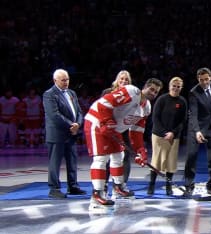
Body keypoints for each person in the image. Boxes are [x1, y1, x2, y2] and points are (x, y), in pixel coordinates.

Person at [84, 80, 162, 209]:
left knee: (119, 156)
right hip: (97, 122)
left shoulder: (147, 107)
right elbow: (104, 103)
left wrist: (140, 150)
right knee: (101, 159)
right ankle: (97, 194)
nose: (153, 93)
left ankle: (118, 187)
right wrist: (106, 121)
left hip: (113, 128)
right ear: (145, 87)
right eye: (151, 89)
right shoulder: (131, 91)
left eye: (156, 91)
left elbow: (136, 131)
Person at [42, 69, 86, 199]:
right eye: (63, 80)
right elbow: (54, 115)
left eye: (67, 79)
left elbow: (79, 112)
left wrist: (77, 124)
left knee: (72, 161)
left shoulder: (72, 93)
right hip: (57, 134)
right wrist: (70, 125)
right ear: (55, 80)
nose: (66, 82)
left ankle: (73, 186)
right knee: (55, 163)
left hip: (71, 134)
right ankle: (54, 189)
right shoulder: (49, 94)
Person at [183, 68, 211, 197]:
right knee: (191, 156)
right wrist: (197, 131)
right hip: (196, 128)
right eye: (201, 80)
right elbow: (193, 114)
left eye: (206, 79)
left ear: (210, 77)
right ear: (198, 79)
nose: (204, 82)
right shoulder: (194, 92)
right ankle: (189, 185)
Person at [147, 77, 187, 196]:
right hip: (159, 135)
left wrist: (173, 133)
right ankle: (151, 185)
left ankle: (168, 186)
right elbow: (155, 118)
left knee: (171, 162)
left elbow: (183, 121)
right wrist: (165, 133)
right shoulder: (162, 99)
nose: (175, 88)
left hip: (174, 137)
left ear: (181, 88)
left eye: (178, 86)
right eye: (173, 86)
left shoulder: (182, 101)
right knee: (156, 161)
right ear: (169, 86)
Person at [100, 70, 133, 196]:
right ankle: (103, 186)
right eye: (121, 79)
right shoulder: (107, 93)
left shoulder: (131, 95)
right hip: (109, 131)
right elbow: (101, 110)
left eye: (126, 79)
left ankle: (120, 185)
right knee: (107, 159)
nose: (124, 81)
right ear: (117, 80)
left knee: (125, 157)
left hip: (123, 130)